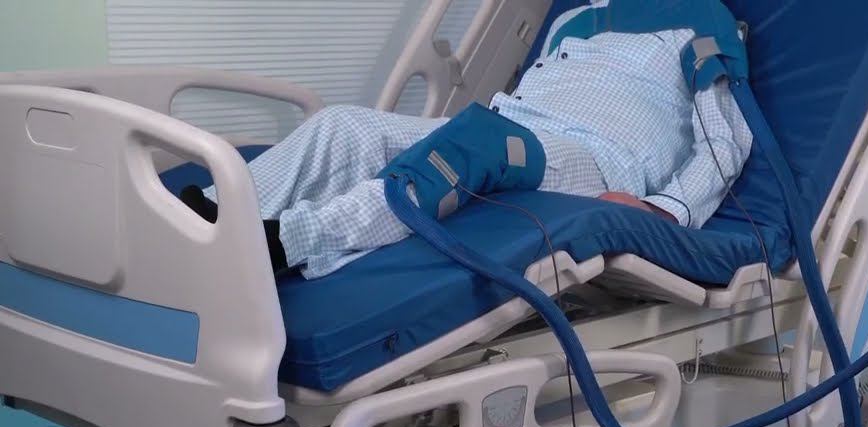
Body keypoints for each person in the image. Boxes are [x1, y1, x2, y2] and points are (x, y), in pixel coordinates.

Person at [181, 0, 754, 280]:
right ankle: (201, 219)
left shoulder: (701, 23)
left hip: (596, 161)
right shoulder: (575, 20)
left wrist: (664, 209)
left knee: (482, 144)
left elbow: (726, 141)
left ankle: (287, 241)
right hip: (517, 128)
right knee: (344, 124)